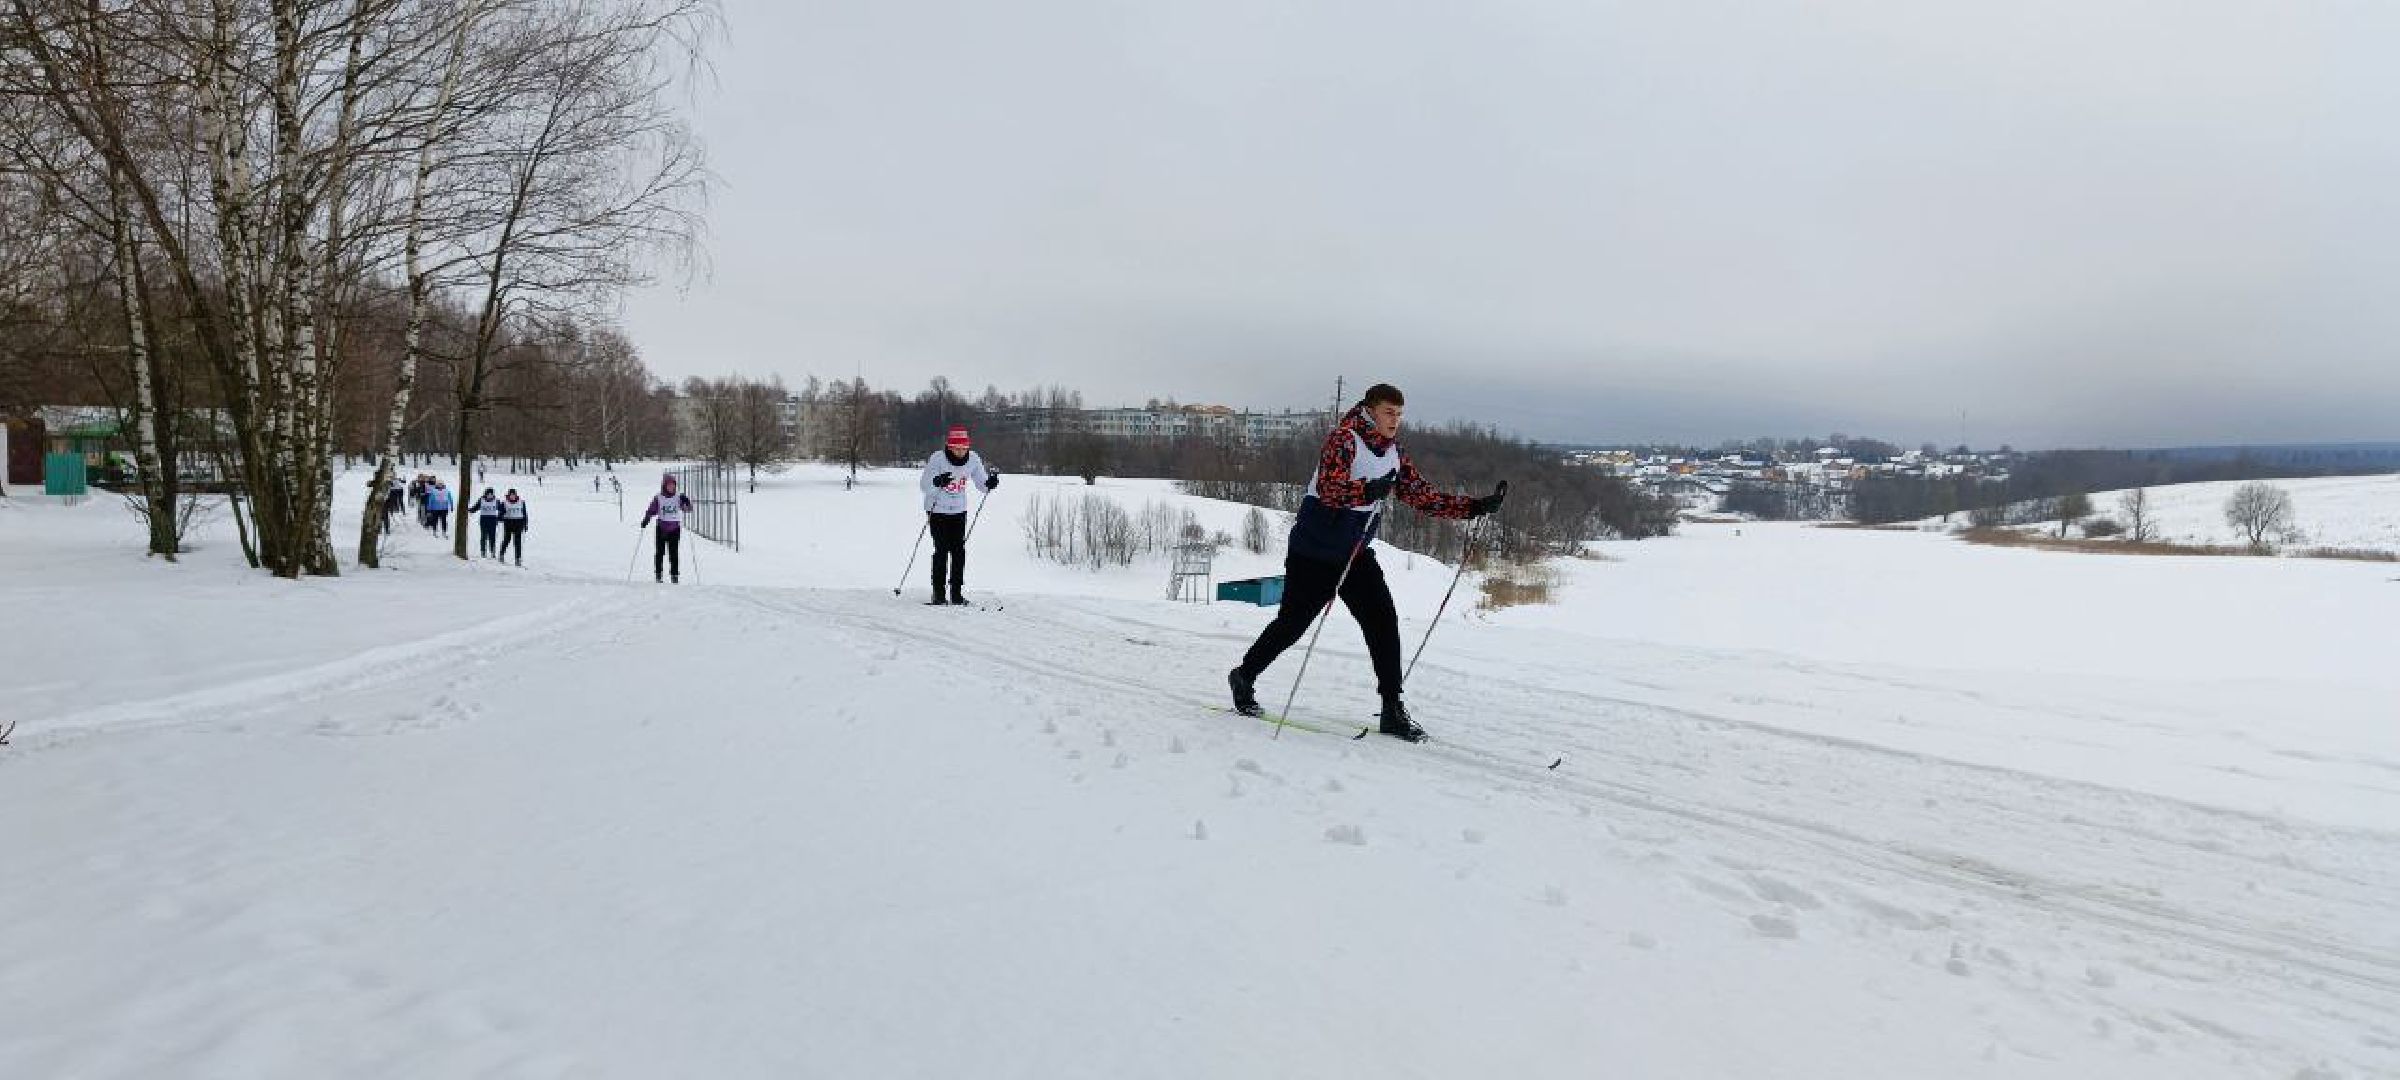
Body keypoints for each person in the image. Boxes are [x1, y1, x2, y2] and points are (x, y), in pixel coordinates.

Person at [1226, 383, 1503, 742]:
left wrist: (1475, 507)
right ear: (1370, 411)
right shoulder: (1344, 440)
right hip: (1314, 553)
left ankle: (1392, 709)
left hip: (1354, 554)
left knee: (1383, 621)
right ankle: (1244, 676)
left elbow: (1422, 496)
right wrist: (1365, 490)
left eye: (1400, 414)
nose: (1395, 421)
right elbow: (1329, 489)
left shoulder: (1394, 454)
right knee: (1292, 625)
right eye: (1389, 412)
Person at [918, 425, 998, 605]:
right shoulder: (937, 459)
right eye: (957, 448)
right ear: (949, 446)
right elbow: (924, 486)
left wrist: (990, 484)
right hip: (937, 510)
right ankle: (938, 594)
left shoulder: (973, 459)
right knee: (941, 550)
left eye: (964, 448)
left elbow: (982, 484)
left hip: (958, 511)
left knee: (958, 551)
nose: (961, 452)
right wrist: (938, 482)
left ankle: (956, 594)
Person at [640, 473, 695, 583]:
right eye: (669, 485)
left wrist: (687, 502)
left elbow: (688, 509)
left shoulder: (679, 497)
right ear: (664, 486)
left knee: (673, 553)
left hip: (674, 529)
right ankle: (658, 574)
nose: (671, 487)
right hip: (661, 528)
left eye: (673, 485)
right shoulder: (658, 497)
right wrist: (646, 518)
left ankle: (674, 576)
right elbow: (652, 509)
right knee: (660, 552)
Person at [498, 488, 529, 566]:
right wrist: (500, 517)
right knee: (507, 540)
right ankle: (501, 554)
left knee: (517, 542)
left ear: (516, 495)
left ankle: (518, 559)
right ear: (509, 495)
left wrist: (525, 524)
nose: (512, 496)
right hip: (508, 523)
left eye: (513, 495)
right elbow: (500, 514)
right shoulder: (504, 503)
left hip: (519, 523)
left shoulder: (521, 502)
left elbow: (525, 514)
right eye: (511, 495)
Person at [470, 486, 503, 558]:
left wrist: (499, 518)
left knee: (492, 537)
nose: (490, 496)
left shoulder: (496, 501)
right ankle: (483, 551)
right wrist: (470, 510)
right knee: (483, 536)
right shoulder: (481, 500)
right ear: (486, 494)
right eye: (488, 494)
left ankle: (492, 551)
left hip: (493, 520)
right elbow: (475, 507)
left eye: (491, 494)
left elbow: (501, 509)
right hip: (484, 520)